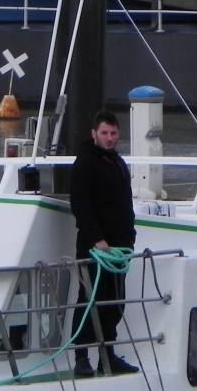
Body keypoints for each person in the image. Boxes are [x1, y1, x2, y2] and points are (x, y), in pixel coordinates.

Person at [69, 110, 138, 377]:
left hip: (120, 247)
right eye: (104, 133)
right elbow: (81, 205)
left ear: (118, 134)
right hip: (93, 247)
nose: (109, 138)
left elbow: (126, 203)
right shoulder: (85, 164)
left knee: (115, 302)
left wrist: (129, 238)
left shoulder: (118, 164)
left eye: (113, 133)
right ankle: (81, 358)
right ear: (94, 134)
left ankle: (107, 356)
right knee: (89, 300)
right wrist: (98, 239)